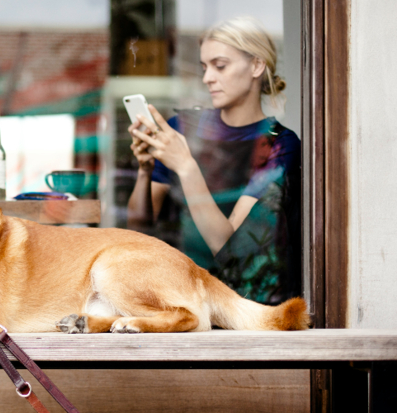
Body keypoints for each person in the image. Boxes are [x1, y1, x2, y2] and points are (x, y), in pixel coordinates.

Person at [126, 17, 301, 304]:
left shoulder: (278, 145)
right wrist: (145, 171)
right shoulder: (181, 129)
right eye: (204, 67)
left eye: (220, 66)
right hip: (181, 296)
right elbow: (138, 226)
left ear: (257, 66)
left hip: (246, 303)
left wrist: (185, 166)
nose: (208, 78)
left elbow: (229, 247)